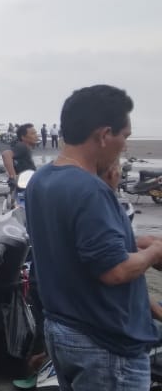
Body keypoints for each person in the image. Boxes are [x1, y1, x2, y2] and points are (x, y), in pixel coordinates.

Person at [27, 84, 162, 390]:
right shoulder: (89, 190)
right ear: (104, 135)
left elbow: (75, 245)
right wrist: (154, 253)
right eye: (124, 137)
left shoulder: (42, 179)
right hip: (104, 344)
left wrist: (112, 198)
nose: (125, 146)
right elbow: (114, 271)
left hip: (65, 329)